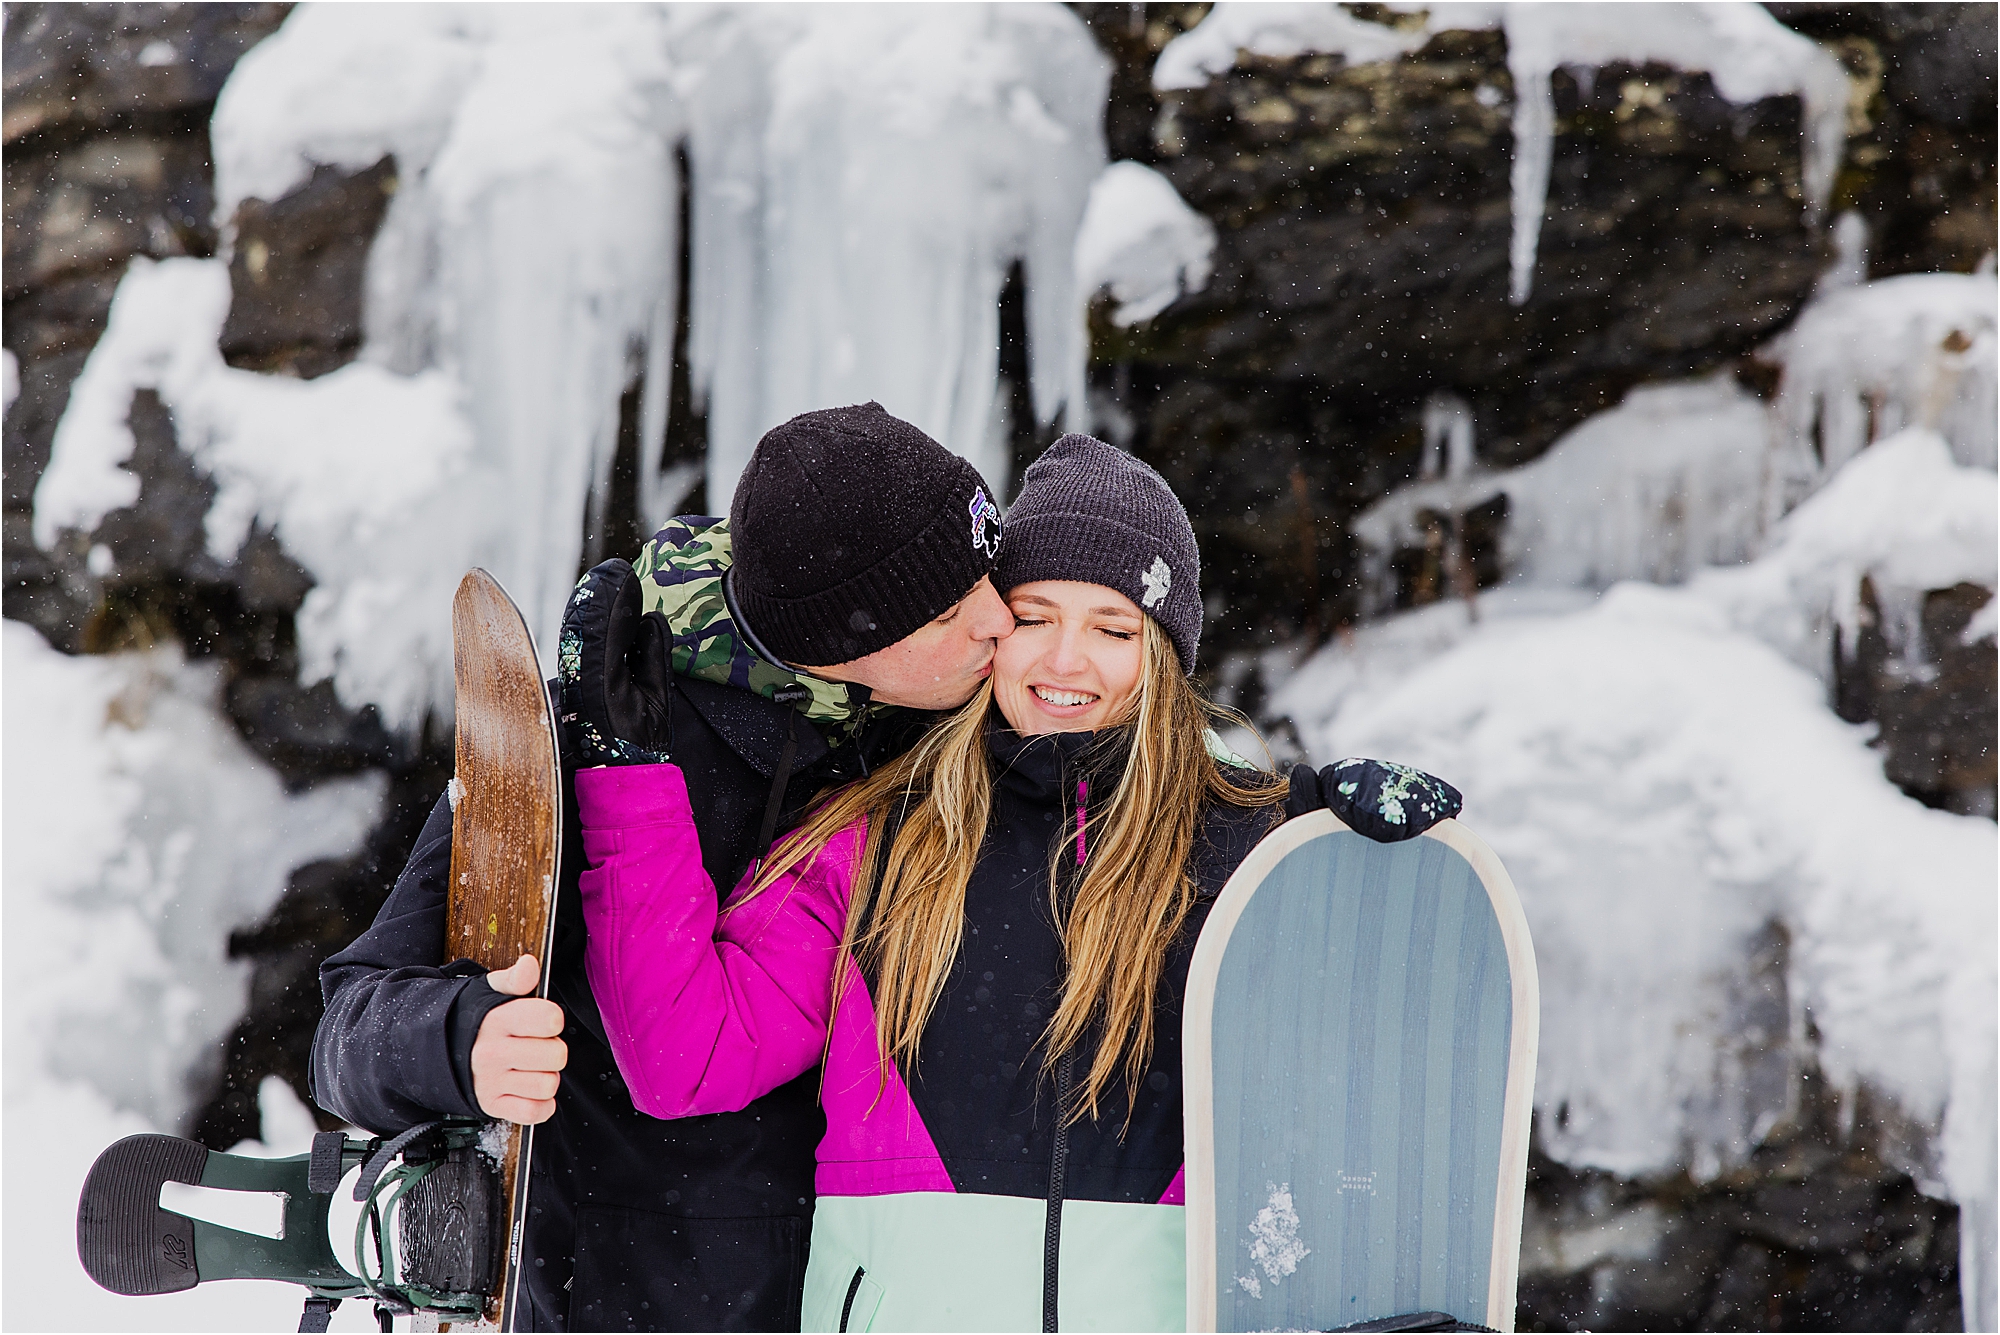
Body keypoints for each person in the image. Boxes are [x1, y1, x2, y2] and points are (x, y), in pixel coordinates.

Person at [571, 434, 1462, 1331]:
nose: (1066, 661)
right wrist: (630, 777)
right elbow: (684, 1056)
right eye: (1035, 616)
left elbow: (1371, 1093)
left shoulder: (1251, 853)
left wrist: (1328, 848)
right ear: (989, 626)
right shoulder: (878, 838)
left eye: (1113, 629)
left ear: (1164, 654)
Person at [311, 403, 1019, 1330]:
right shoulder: (588, 731)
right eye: (950, 608)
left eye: (990, 577)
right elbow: (347, 1029)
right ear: (843, 638)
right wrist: (461, 1042)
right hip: (620, 1294)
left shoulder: (969, 728)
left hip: (876, 1294)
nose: (1001, 621)